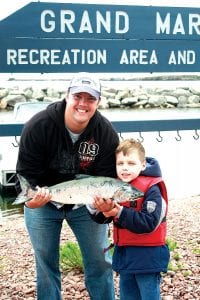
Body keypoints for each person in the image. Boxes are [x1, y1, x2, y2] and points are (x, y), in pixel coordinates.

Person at [15, 72, 119, 300]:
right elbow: (25, 173)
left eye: (90, 98)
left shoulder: (106, 133)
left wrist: (104, 209)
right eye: (77, 96)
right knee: (45, 261)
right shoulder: (38, 126)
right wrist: (32, 201)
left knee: (100, 261)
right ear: (67, 97)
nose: (83, 104)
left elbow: (108, 179)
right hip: (43, 201)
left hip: (86, 205)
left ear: (98, 102)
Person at [88, 138, 170, 300]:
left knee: (149, 296)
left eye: (131, 163)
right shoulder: (114, 186)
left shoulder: (153, 188)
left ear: (143, 165)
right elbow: (102, 218)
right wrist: (93, 206)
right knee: (127, 296)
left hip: (148, 257)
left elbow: (149, 222)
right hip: (125, 255)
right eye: (120, 164)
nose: (125, 168)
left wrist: (118, 212)